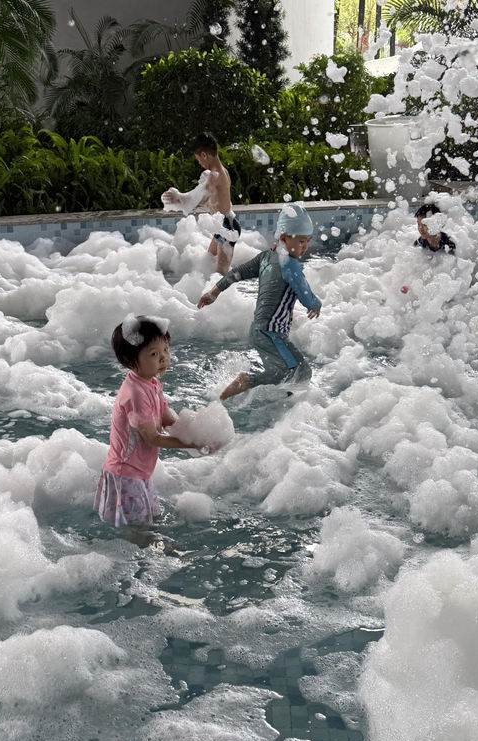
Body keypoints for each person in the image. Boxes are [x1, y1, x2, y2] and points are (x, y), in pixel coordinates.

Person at [197, 203, 322, 400]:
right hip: (271, 333)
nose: (305, 247)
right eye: (300, 241)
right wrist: (315, 304)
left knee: (291, 373)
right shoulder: (290, 265)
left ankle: (283, 403)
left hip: (259, 331)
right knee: (300, 371)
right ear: (283, 238)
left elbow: (238, 272)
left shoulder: (266, 257)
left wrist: (215, 291)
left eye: (307, 241)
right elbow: (305, 295)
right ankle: (247, 381)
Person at [94, 315, 210, 526]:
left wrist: (196, 431)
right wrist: (190, 444)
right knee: (141, 530)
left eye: (165, 349)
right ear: (130, 361)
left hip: (139, 472)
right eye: (154, 354)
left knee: (152, 520)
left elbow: (166, 418)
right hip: (126, 474)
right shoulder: (135, 393)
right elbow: (152, 438)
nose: (163, 358)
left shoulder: (152, 383)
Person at [161, 132, 240, 275]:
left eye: (198, 159)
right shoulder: (222, 172)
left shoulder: (215, 175)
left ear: (204, 155)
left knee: (220, 276)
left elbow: (197, 197)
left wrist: (179, 198)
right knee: (209, 262)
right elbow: (209, 199)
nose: (199, 164)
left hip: (227, 228)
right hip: (223, 225)